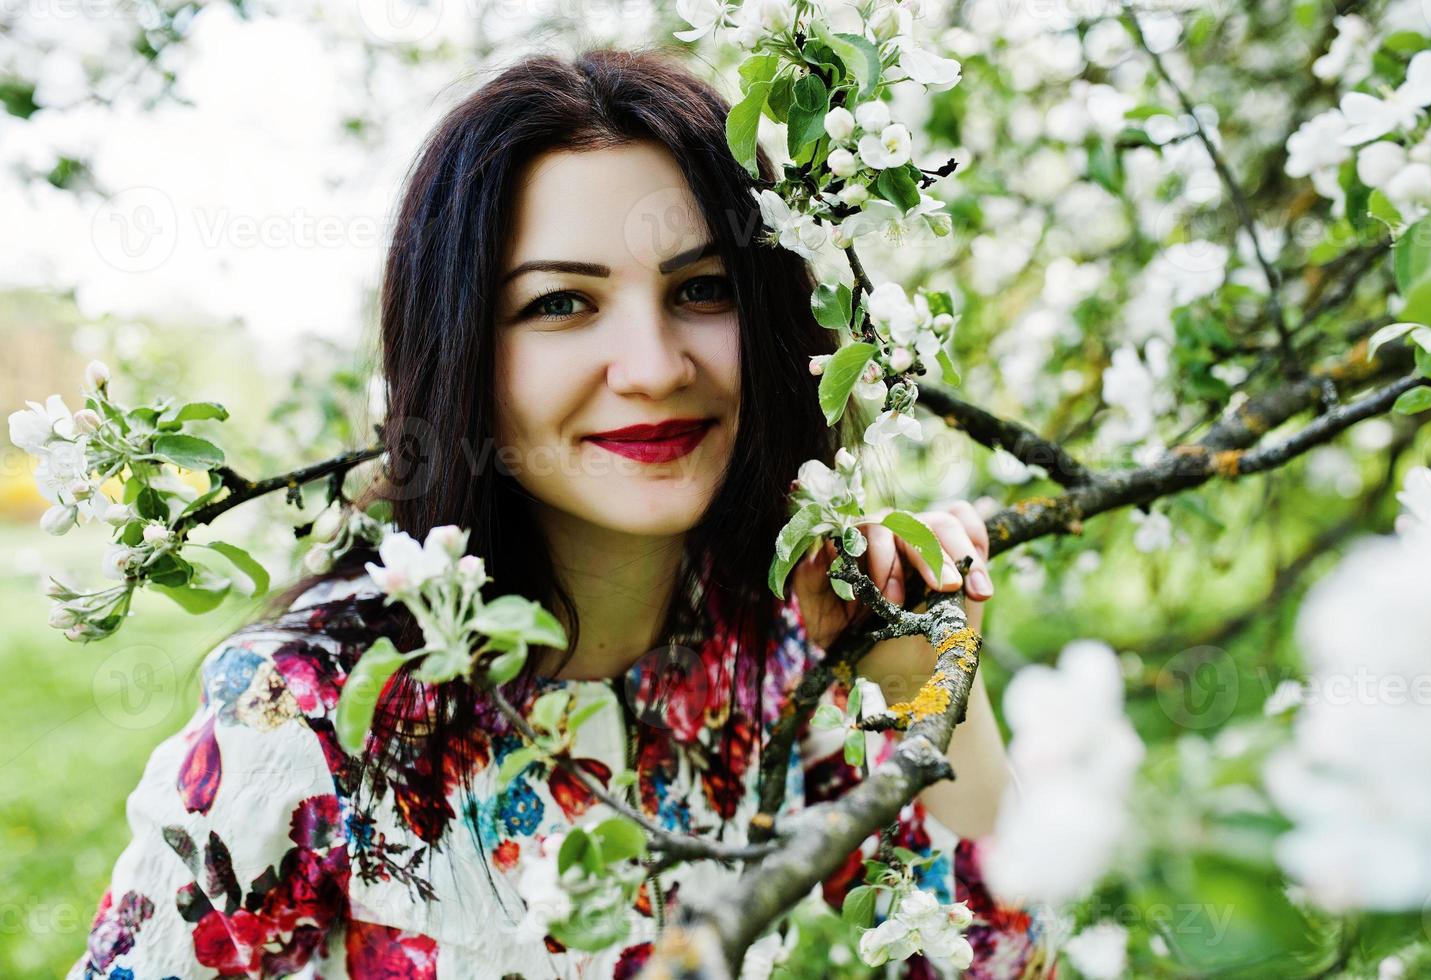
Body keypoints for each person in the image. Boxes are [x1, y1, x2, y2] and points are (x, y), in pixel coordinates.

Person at [69, 48, 1051, 979]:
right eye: (562, 304)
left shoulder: (787, 643)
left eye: (702, 289)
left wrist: (933, 687)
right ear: (464, 351)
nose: (657, 366)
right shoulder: (312, 709)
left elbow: (984, 956)